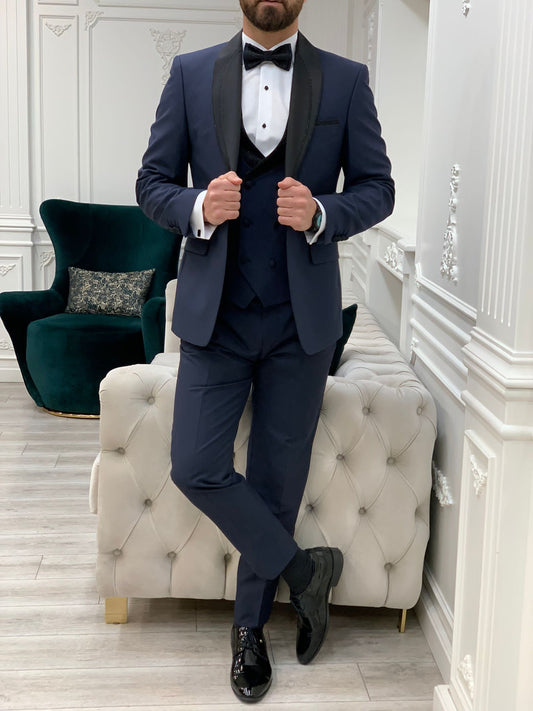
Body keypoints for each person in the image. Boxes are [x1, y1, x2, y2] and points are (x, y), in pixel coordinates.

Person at [136, 0, 394, 702]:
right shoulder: (189, 74)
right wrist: (196, 206)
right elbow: (151, 184)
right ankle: (307, 572)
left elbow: (378, 190)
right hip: (214, 317)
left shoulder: (346, 80)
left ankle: (248, 630)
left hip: (300, 322)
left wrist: (323, 212)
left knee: (279, 482)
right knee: (195, 464)